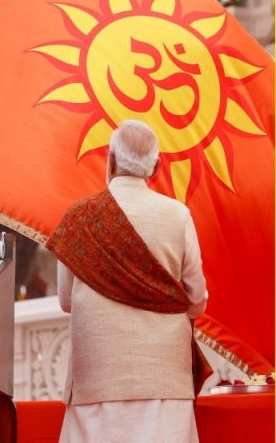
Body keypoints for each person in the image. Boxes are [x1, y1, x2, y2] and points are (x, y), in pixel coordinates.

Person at [47, 120, 209, 443]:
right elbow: (196, 298)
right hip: (164, 379)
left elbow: (66, 301)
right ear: (157, 167)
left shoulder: (79, 218)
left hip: (97, 379)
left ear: (111, 160)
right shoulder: (178, 216)